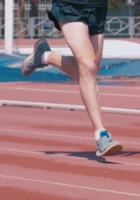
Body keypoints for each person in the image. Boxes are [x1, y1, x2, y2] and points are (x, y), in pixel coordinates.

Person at [21, 0, 122, 157]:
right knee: (88, 68)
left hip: (97, 6)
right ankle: (101, 134)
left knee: (89, 71)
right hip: (69, 4)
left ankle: (44, 56)